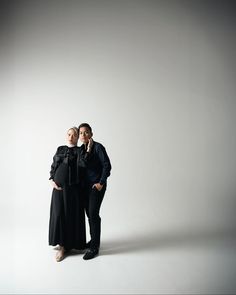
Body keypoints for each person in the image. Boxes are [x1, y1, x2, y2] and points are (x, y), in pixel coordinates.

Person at [48, 127, 92, 262]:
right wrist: (51, 179)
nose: (71, 137)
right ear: (66, 135)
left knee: (70, 214)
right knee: (59, 213)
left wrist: (88, 150)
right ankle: (61, 246)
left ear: (77, 137)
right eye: (69, 134)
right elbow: (54, 165)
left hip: (73, 189)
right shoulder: (60, 149)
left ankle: (68, 245)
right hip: (58, 188)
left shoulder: (80, 150)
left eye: (74, 135)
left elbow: (84, 165)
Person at [78, 123, 112, 260]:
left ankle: (94, 248)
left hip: (96, 186)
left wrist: (101, 182)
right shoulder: (82, 149)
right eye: (81, 133)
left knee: (93, 213)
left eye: (86, 132)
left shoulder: (98, 147)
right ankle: (93, 240)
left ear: (91, 134)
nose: (83, 135)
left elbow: (107, 165)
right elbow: (82, 165)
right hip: (85, 187)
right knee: (89, 214)